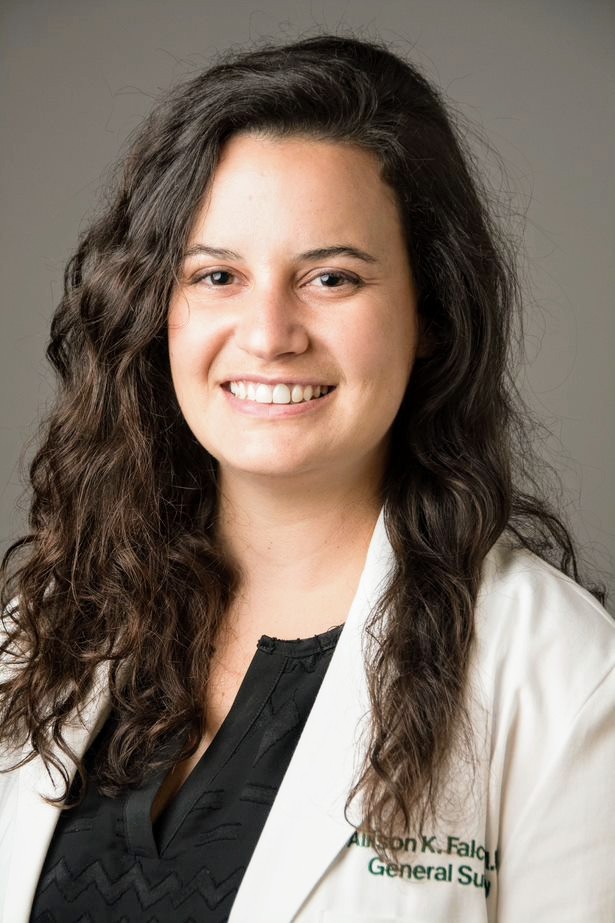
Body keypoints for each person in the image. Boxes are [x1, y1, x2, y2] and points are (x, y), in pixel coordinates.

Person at [0, 33, 613, 923]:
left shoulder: (565, 682)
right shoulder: (45, 626)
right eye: (216, 275)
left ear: (430, 314)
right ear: (154, 311)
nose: (268, 330)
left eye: (330, 277)